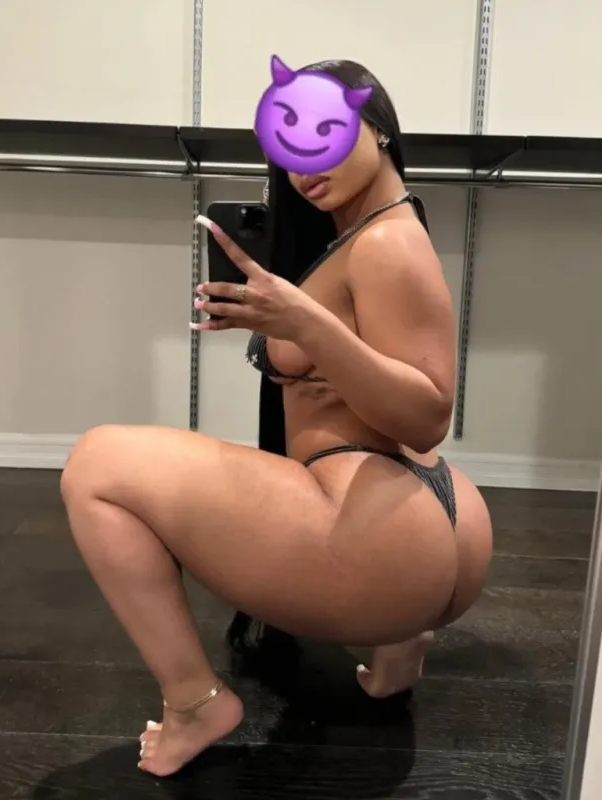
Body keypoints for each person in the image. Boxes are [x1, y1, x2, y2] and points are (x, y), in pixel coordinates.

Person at [60, 59, 493, 779]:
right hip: (438, 529)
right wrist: (289, 323)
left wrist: (306, 325)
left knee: (97, 464)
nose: (303, 165)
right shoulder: (381, 231)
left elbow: (425, 416)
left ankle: (194, 702)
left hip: (386, 537)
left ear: (377, 128)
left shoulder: (385, 241)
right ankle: (399, 643)